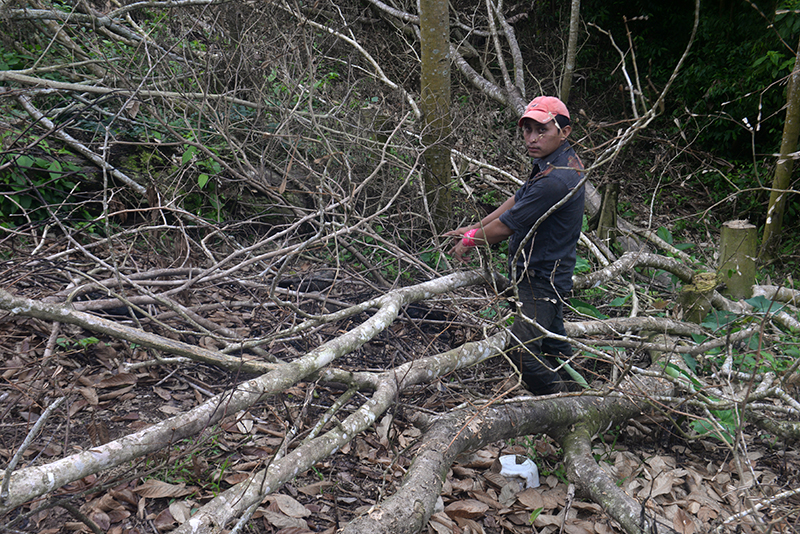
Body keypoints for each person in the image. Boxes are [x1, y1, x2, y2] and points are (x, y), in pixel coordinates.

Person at [445, 96, 585, 395]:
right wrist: (474, 227)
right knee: (553, 345)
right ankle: (583, 394)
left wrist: (470, 240)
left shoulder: (556, 180)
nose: (532, 138)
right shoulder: (556, 162)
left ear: (564, 132)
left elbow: (507, 226)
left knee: (521, 350)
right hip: (543, 272)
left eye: (542, 130)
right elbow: (518, 200)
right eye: (527, 130)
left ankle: (567, 405)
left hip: (541, 279)